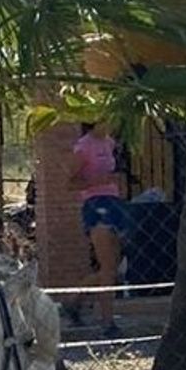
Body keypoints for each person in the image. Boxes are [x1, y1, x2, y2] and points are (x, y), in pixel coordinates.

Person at [72, 121, 129, 336]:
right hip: (95, 204)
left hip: (114, 202)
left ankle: (73, 301)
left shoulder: (110, 143)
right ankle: (107, 321)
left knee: (111, 268)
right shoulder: (83, 146)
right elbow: (70, 182)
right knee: (107, 266)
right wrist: (96, 181)